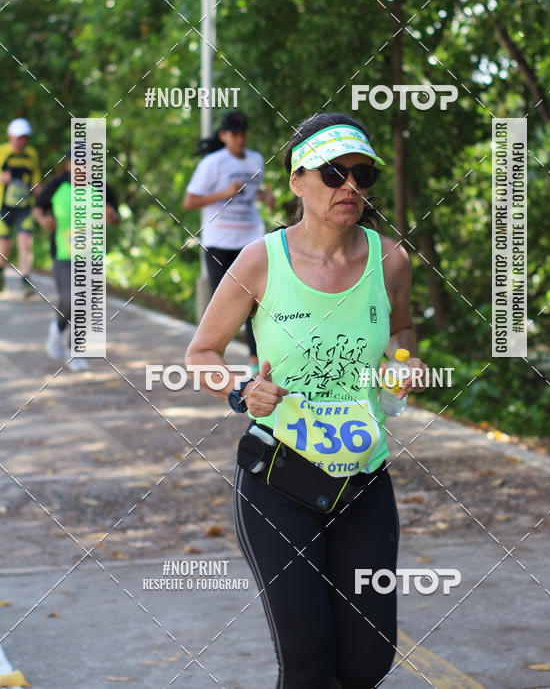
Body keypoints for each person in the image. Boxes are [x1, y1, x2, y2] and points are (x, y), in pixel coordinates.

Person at [185, 112, 428, 689]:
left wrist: (406, 366)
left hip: (364, 479)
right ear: (296, 181)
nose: (349, 186)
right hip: (280, 482)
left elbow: (403, 337)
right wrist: (242, 390)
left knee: (368, 661)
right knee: (309, 662)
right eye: (331, 173)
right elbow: (201, 355)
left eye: (361, 175)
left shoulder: (390, 260)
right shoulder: (260, 261)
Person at [183, 111, 274, 373]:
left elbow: (253, 193)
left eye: (244, 133)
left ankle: (257, 364)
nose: (240, 139)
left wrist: (265, 198)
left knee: (257, 302)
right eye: (234, 134)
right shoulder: (212, 163)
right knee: (223, 305)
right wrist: (224, 193)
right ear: (223, 135)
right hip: (220, 242)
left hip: (250, 240)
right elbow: (189, 202)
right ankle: (211, 363)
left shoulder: (256, 159)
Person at [34, 151, 120, 372]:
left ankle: (75, 350)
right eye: (78, 163)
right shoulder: (56, 186)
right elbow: (38, 209)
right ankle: (57, 328)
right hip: (63, 254)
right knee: (70, 299)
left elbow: (115, 216)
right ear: (69, 165)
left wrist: (111, 217)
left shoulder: (101, 188)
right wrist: (44, 221)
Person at [0, 118, 41, 296]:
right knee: (4, 245)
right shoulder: (2, 151)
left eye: (25, 137)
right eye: (18, 137)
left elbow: (35, 178)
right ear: (10, 137)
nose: (21, 141)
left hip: (24, 206)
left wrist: (40, 190)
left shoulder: (31, 154)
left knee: (26, 242)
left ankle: (25, 281)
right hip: (4, 206)